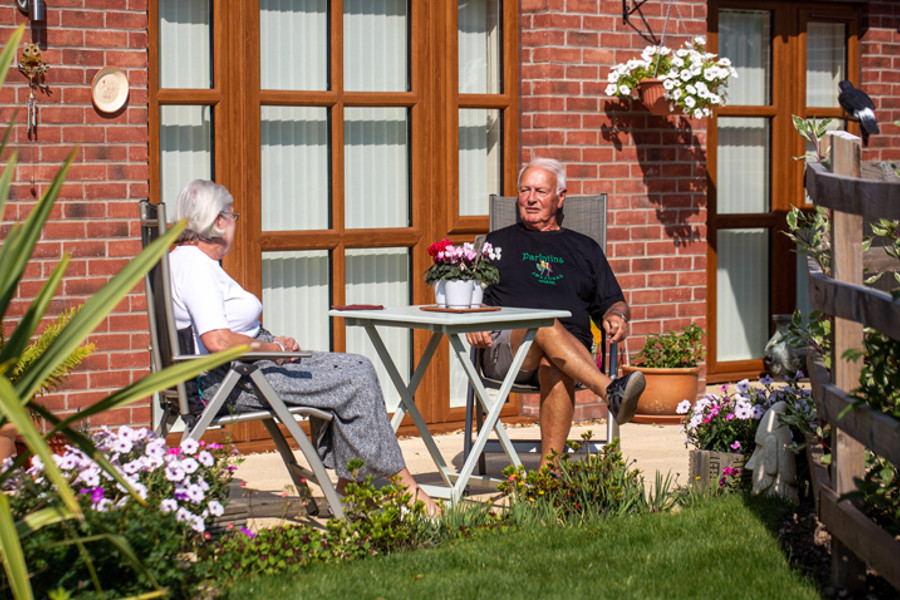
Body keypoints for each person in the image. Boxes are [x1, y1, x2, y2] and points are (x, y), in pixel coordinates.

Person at [168, 179, 439, 515]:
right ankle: (404, 488)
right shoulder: (196, 267)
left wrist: (272, 342)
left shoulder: (185, 260)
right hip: (233, 378)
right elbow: (217, 340)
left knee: (351, 371)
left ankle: (349, 486)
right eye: (233, 215)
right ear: (218, 221)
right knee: (355, 375)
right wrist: (270, 350)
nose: (236, 223)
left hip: (244, 368)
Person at [466, 158, 645, 468]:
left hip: (569, 354)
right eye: (525, 190)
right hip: (509, 351)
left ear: (561, 197)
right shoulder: (497, 244)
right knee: (543, 321)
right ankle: (608, 390)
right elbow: (472, 299)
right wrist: (475, 316)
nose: (531, 198)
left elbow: (614, 302)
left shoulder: (585, 249)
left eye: (540, 191)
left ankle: (548, 478)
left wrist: (618, 316)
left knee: (555, 362)